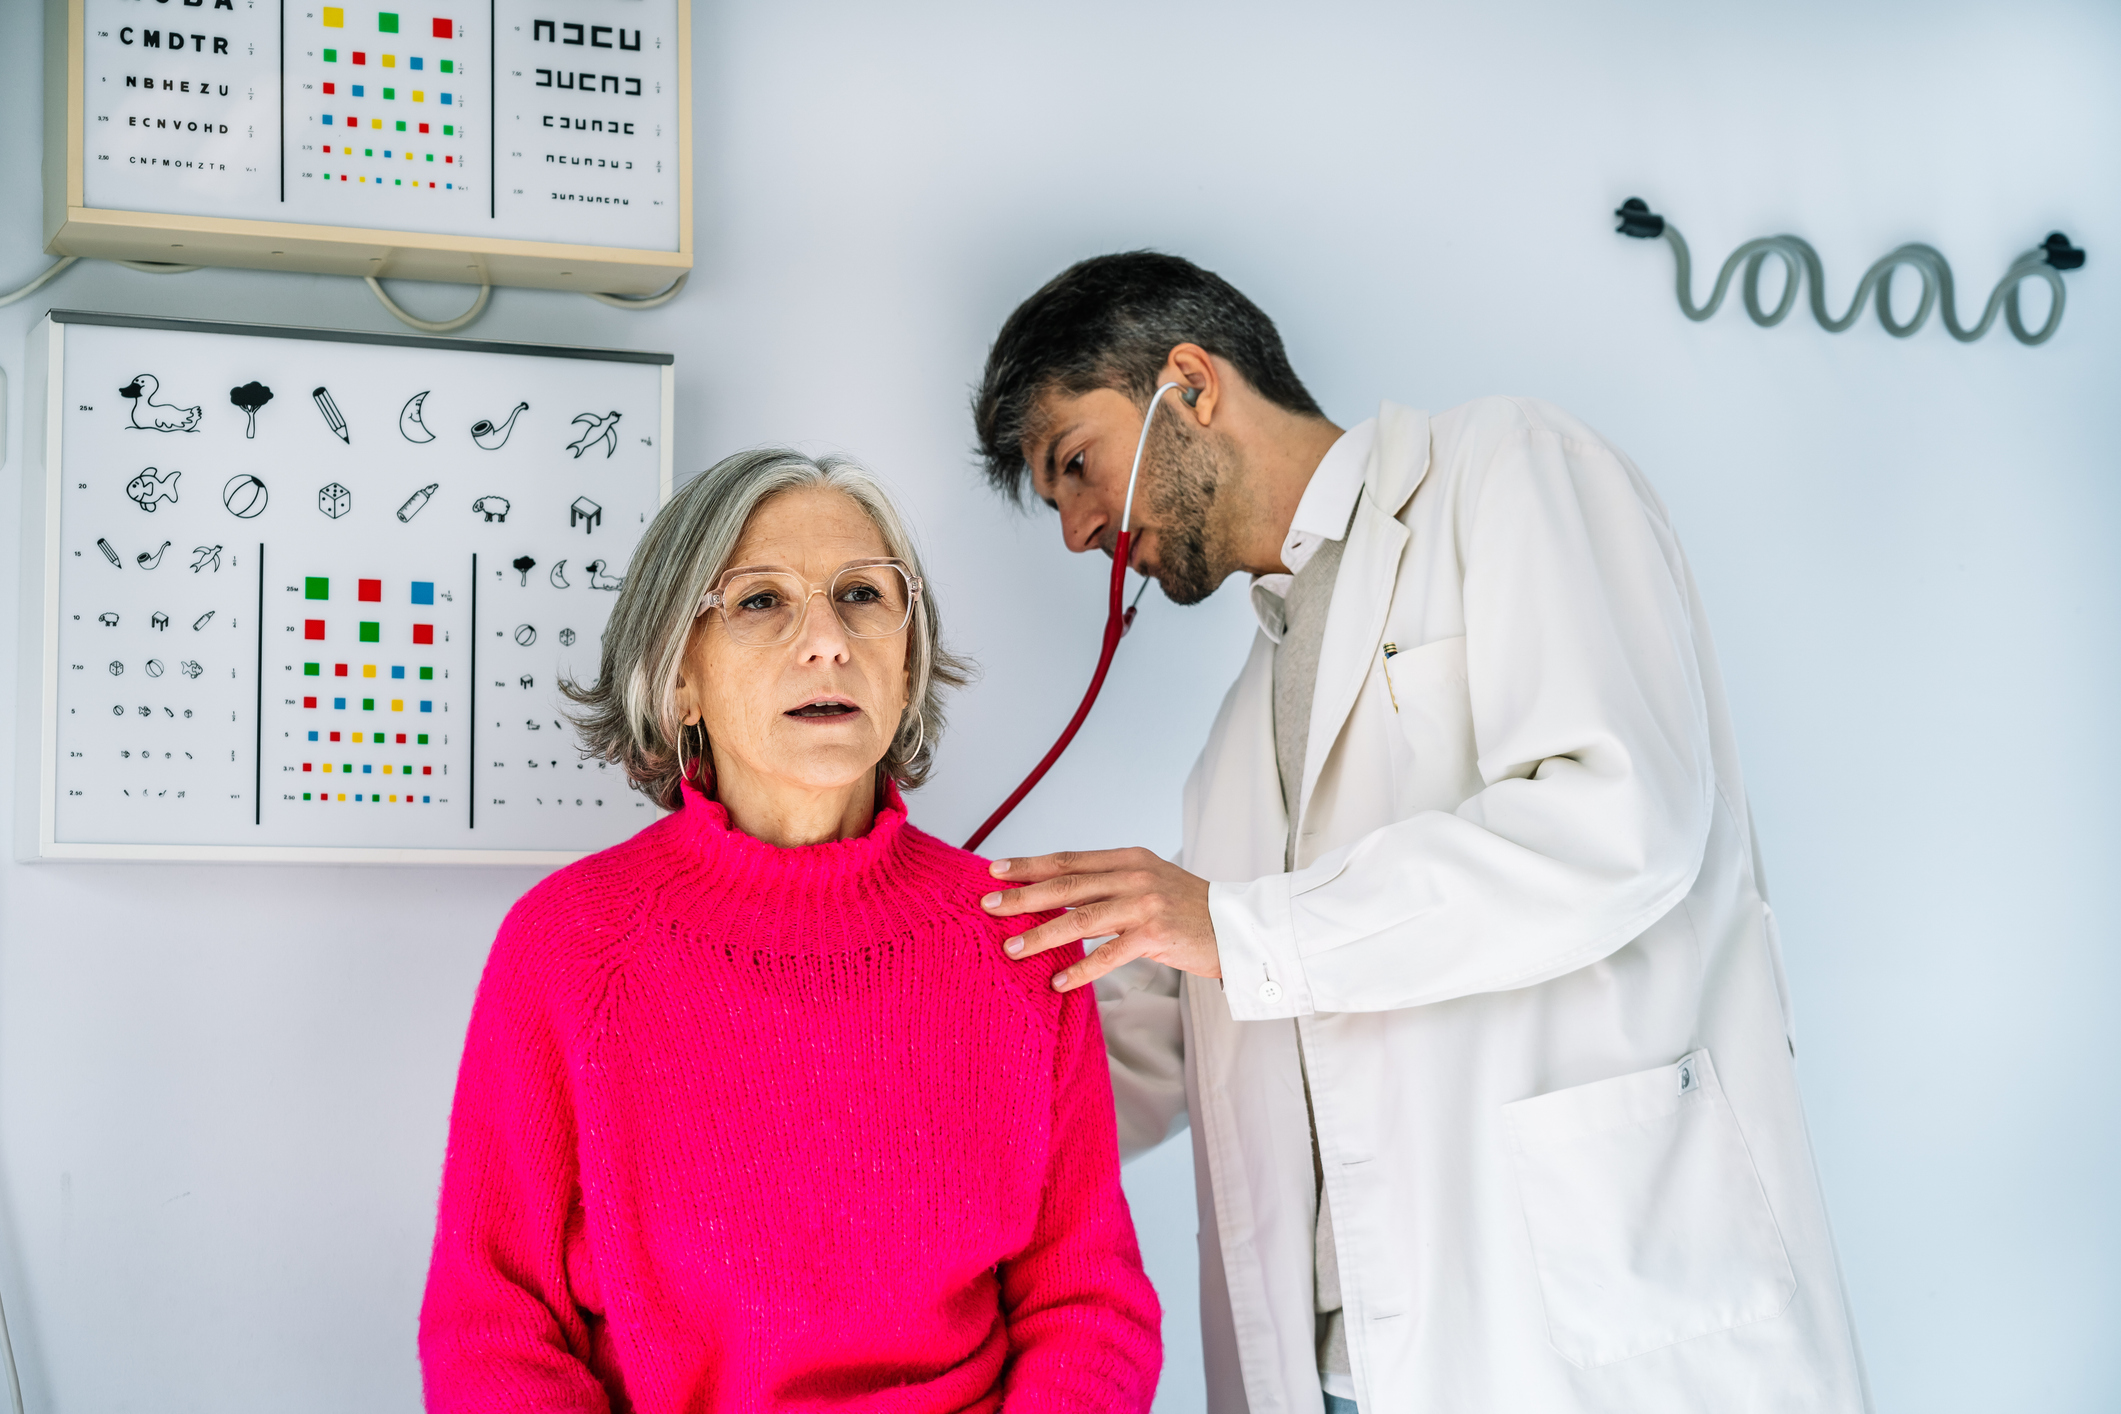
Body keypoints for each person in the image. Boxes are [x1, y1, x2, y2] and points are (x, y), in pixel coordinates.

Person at [971, 253, 1870, 1414]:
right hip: (1354, 1374)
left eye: (1074, 465)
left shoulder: (1508, 470)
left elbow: (1618, 822)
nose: (1079, 529)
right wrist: (948, 1061)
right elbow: (1221, 1012)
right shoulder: (1238, 737)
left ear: (1188, 384)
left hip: (1587, 1343)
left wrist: (1236, 924)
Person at [419, 449, 1162, 1413]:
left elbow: (1087, 1304)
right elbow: (494, 1328)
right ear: (677, 676)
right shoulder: (570, 948)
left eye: (862, 594)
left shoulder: (1017, 939)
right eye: (760, 601)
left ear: (907, 655)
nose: (827, 641)